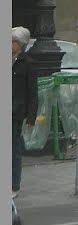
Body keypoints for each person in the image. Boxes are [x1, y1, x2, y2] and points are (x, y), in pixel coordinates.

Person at [12, 26, 39, 198]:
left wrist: (31, 116)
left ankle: (14, 184)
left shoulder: (27, 63)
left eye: (12, 41)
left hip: (15, 112)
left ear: (20, 44)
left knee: (13, 150)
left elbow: (32, 91)